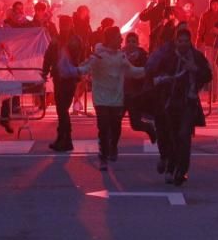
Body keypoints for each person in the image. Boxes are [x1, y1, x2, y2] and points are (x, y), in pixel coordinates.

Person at [149, 28, 211, 185]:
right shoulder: (168, 57)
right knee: (172, 136)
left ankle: (181, 171)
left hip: (188, 102)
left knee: (184, 135)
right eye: (180, 41)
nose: (183, 44)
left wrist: (195, 69)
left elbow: (208, 75)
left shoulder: (196, 57)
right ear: (175, 42)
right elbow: (155, 73)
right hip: (170, 102)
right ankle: (171, 166)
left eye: (186, 41)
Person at [78, 28, 146, 170]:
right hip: (101, 99)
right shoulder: (98, 56)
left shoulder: (121, 56)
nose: (121, 40)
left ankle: (113, 147)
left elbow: (132, 71)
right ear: (110, 40)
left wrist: (148, 70)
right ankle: (103, 157)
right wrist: (73, 69)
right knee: (103, 128)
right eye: (118, 38)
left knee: (115, 127)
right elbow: (84, 68)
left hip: (116, 99)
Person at [42, 16, 85, 151]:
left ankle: (64, 139)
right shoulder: (57, 39)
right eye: (62, 24)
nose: (63, 26)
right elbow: (48, 56)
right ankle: (64, 139)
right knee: (62, 110)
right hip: (59, 78)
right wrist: (44, 71)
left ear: (71, 24)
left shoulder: (74, 40)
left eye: (65, 24)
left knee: (62, 109)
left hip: (69, 78)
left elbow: (79, 56)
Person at [122, 32, 158, 144]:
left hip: (135, 94)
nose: (131, 44)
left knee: (136, 124)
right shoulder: (120, 54)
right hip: (120, 93)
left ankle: (150, 129)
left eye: (133, 41)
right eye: (129, 41)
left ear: (138, 43)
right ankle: (110, 145)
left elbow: (147, 71)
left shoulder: (142, 55)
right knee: (115, 119)